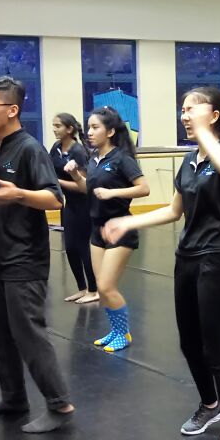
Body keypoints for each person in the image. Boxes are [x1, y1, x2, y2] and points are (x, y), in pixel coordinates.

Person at [104, 87, 220, 440]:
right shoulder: (188, 161)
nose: (184, 115)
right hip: (187, 258)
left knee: (216, 350)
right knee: (188, 343)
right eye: (182, 110)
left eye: (192, 109)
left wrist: (204, 133)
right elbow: (172, 211)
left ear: (214, 115)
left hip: (216, 260)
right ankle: (210, 404)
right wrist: (128, 222)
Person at [0, 77, 76, 433]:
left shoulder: (29, 149)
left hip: (25, 257)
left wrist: (18, 194)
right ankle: (13, 398)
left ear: (11, 110)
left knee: (28, 332)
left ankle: (60, 405)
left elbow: (56, 199)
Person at [79, 106, 149, 352]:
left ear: (110, 132)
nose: (89, 132)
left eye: (95, 127)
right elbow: (89, 189)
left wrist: (113, 193)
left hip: (120, 228)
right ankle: (116, 330)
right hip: (97, 228)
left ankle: (124, 333)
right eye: (88, 127)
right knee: (102, 287)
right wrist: (76, 176)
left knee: (108, 286)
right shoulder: (93, 159)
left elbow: (144, 188)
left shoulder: (122, 158)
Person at [50, 113, 98, 304]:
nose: (54, 129)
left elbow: (83, 187)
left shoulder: (78, 151)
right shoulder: (56, 148)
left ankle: (94, 290)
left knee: (84, 247)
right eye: (53, 125)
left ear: (69, 129)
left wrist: (56, 182)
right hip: (69, 204)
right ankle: (82, 288)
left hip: (84, 205)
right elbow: (48, 169)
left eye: (58, 126)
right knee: (70, 247)